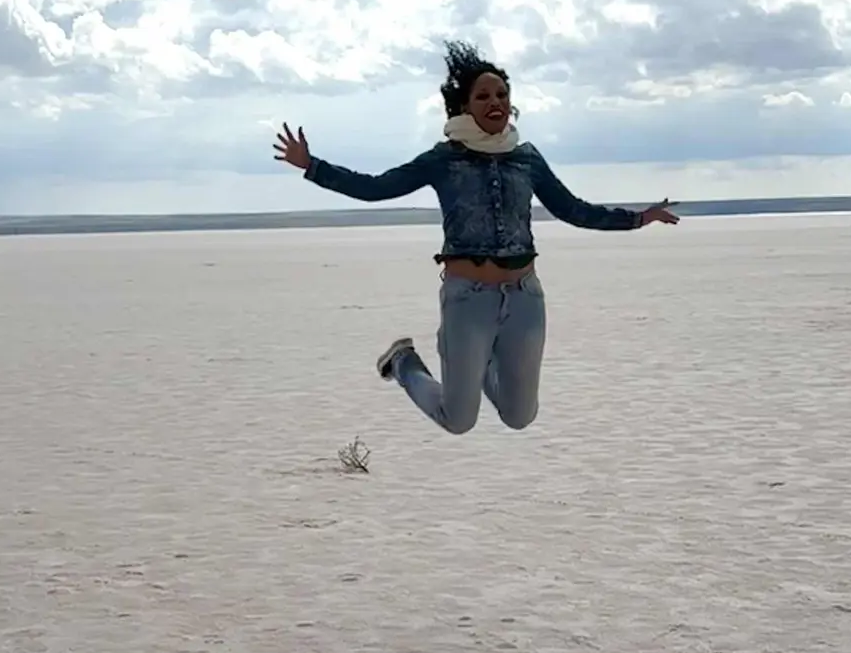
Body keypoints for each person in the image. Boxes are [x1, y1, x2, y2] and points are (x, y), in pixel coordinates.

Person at [274, 40, 678, 435]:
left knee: (520, 417)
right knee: (458, 420)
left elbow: (572, 209)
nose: (495, 101)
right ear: (464, 105)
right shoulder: (444, 158)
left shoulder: (527, 158)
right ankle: (403, 363)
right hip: (468, 298)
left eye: (501, 94)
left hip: (524, 298)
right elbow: (376, 187)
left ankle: (478, 361)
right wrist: (312, 166)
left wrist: (638, 219)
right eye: (483, 96)